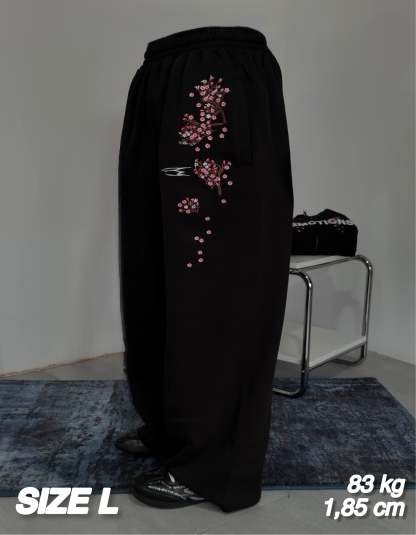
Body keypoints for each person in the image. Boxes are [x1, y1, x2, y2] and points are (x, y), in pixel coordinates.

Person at [117, 26, 294, 513]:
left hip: (223, 72)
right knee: (153, 273)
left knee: (217, 285)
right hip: (157, 77)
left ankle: (217, 465)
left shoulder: (232, 64)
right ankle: (171, 430)